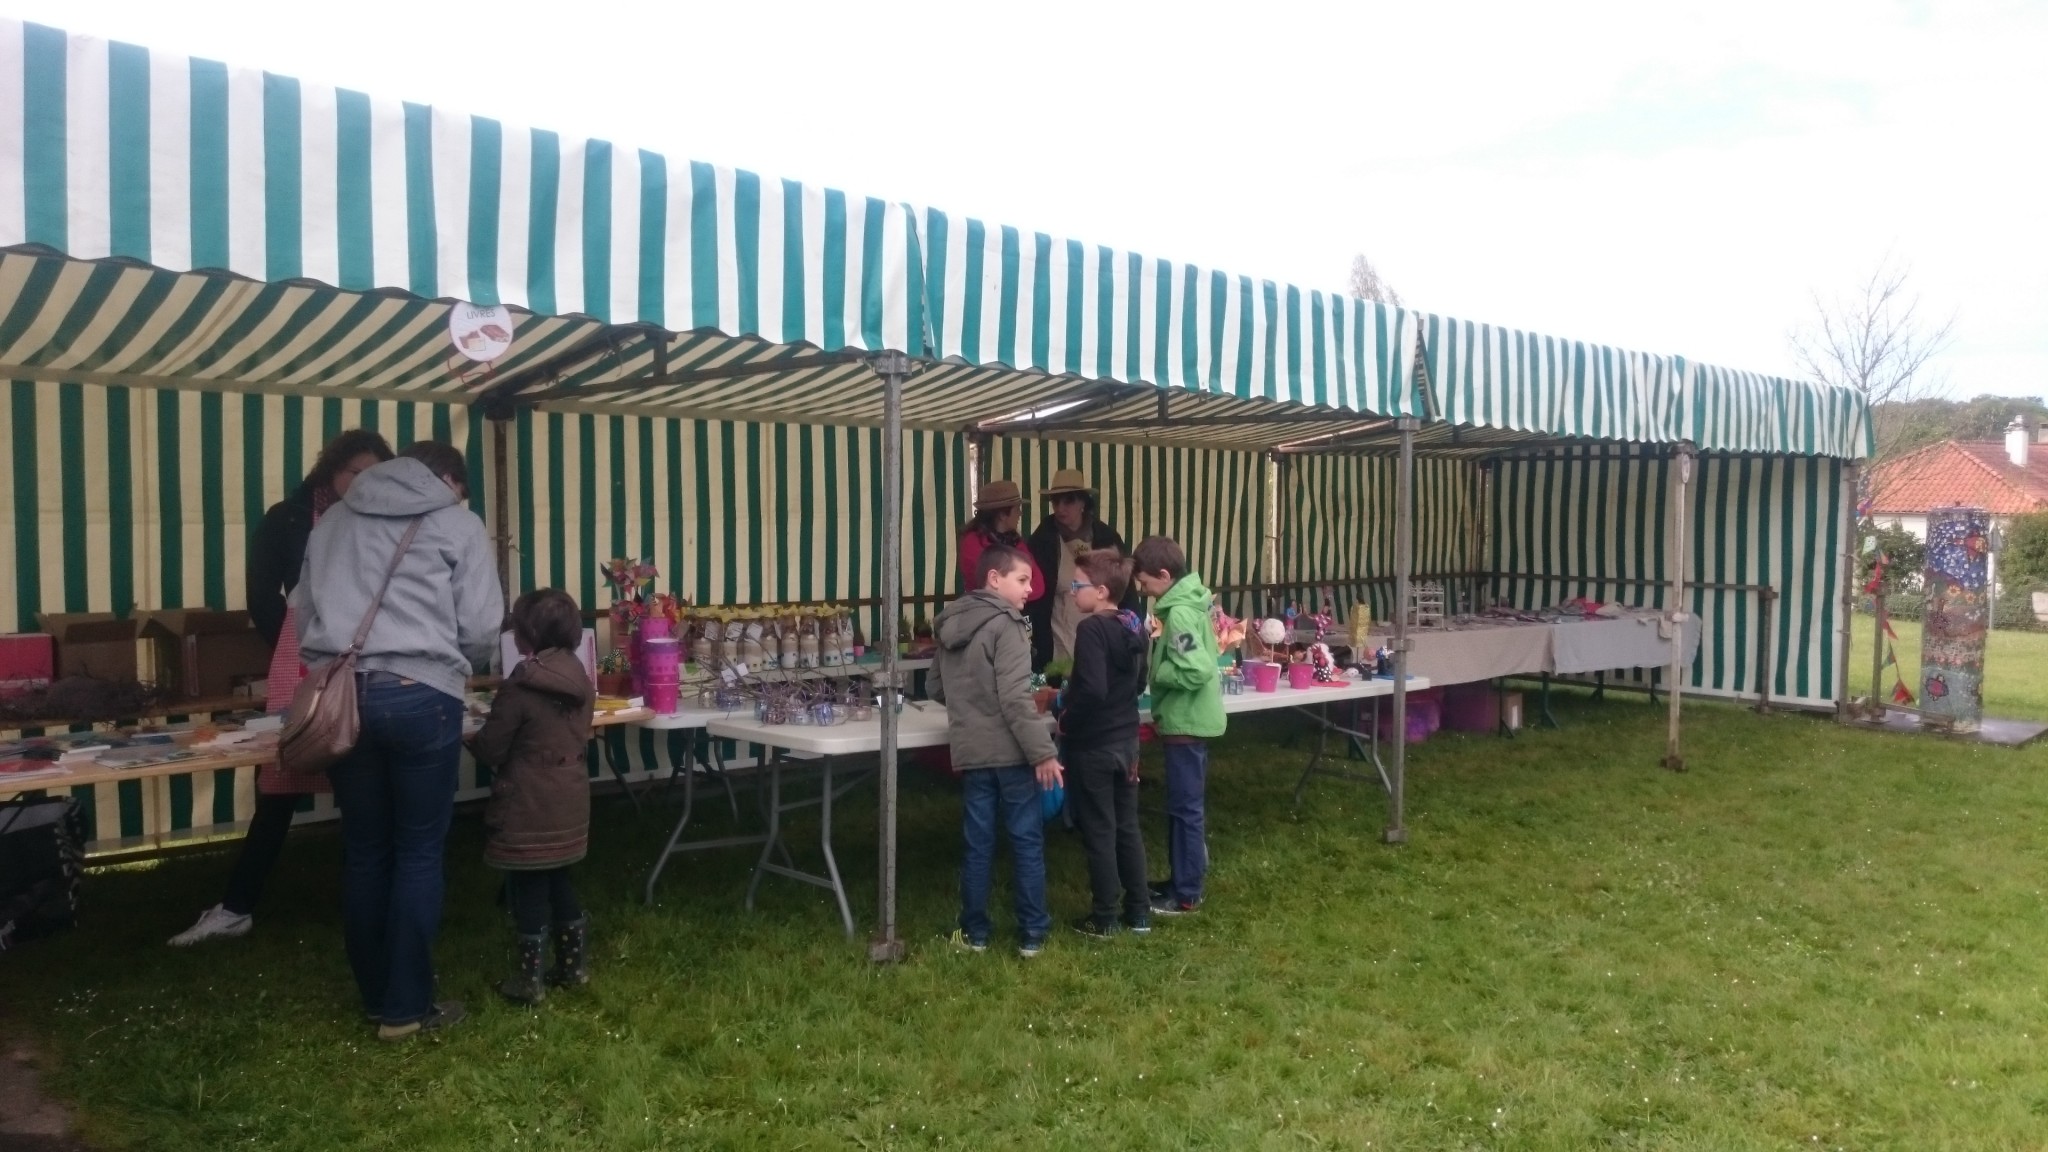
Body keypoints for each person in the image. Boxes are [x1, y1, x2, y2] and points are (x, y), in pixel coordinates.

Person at [295, 441, 502, 1041]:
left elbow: (304, 616)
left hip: (344, 698)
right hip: (423, 694)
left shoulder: (331, 522)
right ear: (446, 478)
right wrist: (450, 665)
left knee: (365, 850)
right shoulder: (458, 524)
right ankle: (406, 1009)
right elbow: (482, 628)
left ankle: (376, 998)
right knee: (417, 851)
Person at [169, 429, 394, 947]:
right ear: (331, 470)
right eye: (357, 471)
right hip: (302, 661)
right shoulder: (288, 518)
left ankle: (365, 899)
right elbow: (261, 591)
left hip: (367, 659)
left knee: (362, 784)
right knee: (280, 783)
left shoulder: (385, 518)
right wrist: (292, 642)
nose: (366, 482)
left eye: (376, 473)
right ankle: (237, 906)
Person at [927, 543, 1064, 958]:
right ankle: (1032, 933)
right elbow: (1016, 699)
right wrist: (1043, 753)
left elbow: (935, 687)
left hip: (971, 750)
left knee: (978, 842)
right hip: (1011, 752)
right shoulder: (1008, 625)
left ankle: (975, 933)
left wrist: (972, 707)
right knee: (1025, 840)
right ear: (994, 579)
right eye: (1022, 580)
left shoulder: (951, 622)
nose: (1029, 589)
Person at [469, 588, 594, 1005]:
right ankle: (573, 968)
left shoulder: (521, 686)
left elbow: (492, 749)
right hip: (570, 798)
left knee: (528, 888)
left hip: (527, 802)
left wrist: (467, 736)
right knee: (558, 879)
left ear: (529, 635)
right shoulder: (581, 677)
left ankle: (529, 982)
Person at [1053, 549, 1151, 938]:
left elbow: (1092, 689)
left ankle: (1105, 916)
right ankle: (1139, 912)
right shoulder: (1133, 625)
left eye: (1077, 585)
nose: (1072, 592)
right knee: (1127, 826)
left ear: (1101, 591)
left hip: (1094, 744)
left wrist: (1067, 720)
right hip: (1127, 741)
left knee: (1099, 829)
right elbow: (1139, 682)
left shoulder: (1092, 629)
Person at [1132, 536, 1225, 918]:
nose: (1142, 590)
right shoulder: (1186, 605)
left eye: (1144, 582)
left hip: (1187, 723)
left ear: (1164, 575)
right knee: (1180, 807)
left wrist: (1159, 675)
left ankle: (1187, 893)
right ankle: (1179, 880)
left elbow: (1197, 669)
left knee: (1186, 811)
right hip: (1184, 722)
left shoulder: (1181, 614)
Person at [1025, 469, 1136, 671]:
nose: (1060, 508)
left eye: (1068, 501)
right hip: (1057, 636)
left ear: (1083, 502)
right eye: (1055, 501)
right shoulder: (1042, 539)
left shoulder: (1106, 537)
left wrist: (1130, 634)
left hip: (1100, 635)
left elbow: (1126, 591)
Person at [956, 479, 1045, 601]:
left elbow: (1039, 586)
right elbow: (988, 586)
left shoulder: (1016, 542)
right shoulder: (972, 543)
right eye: (1017, 509)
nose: (1020, 513)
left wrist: (1011, 588)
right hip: (984, 609)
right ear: (1002, 515)